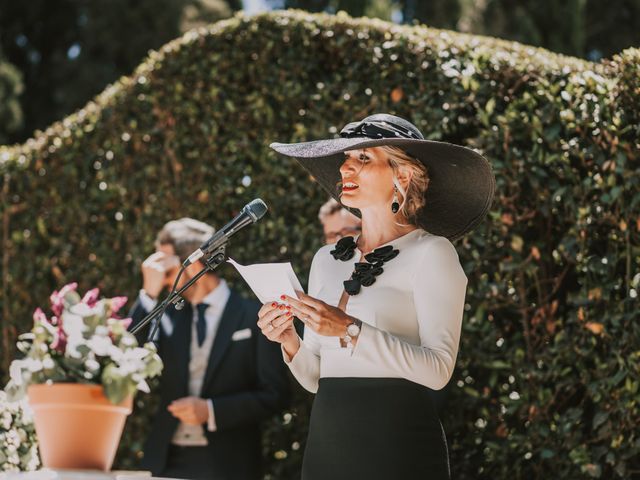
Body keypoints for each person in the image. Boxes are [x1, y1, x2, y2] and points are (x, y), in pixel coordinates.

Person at [258, 113, 495, 479]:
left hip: (397, 445)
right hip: (327, 444)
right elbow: (317, 377)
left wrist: (350, 329)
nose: (346, 170)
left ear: (403, 175)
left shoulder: (433, 253)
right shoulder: (326, 259)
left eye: (363, 158)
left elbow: (438, 370)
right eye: (346, 160)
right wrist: (288, 340)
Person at [129, 218, 290, 480]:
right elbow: (127, 358)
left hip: (229, 465)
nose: (165, 281)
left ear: (193, 265)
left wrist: (212, 410)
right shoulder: (167, 315)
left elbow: (275, 394)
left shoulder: (253, 316)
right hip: (165, 461)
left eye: (167, 270)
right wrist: (148, 293)